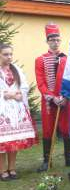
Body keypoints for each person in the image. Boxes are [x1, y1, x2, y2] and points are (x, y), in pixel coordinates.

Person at [35, 23, 70, 172]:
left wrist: (65, 97)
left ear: (60, 41)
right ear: (47, 41)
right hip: (49, 101)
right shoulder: (40, 60)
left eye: (57, 39)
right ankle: (47, 160)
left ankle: (69, 158)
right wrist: (52, 97)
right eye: (52, 39)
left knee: (66, 128)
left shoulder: (67, 59)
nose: (55, 42)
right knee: (47, 130)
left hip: (65, 100)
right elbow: (41, 83)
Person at [0, 44, 38, 180]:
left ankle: (12, 168)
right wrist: (9, 95)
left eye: (10, 54)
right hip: (2, 111)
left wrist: (20, 94)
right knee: (3, 142)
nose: (9, 57)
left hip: (16, 109)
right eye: (5, 54)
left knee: (14, 140)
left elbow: (24, 86)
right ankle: (2, 170)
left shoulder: (16, 69)